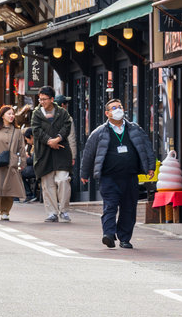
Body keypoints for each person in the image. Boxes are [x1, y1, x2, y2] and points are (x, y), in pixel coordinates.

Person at [81, 98, 155, 250]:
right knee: (110, 206)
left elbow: (146, 147)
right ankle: (108, 234)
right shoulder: (99, 132)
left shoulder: (135, 129)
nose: (118, 110)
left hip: (130, 176)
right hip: (109, 177)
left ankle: (125, 238)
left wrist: (150, 166)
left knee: (129, 208)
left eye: (119, 107)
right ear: (107, 113)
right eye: (114, 108)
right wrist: (84, 173)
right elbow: (88, 153)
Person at [29, 86, 75, 222]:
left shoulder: (62, 112)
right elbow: (36, 130)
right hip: (44, 152)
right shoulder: (36, 113)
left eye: (44, 99)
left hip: (62, 150)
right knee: (47, 183)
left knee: (63, 180)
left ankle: (64, 210)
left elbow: (67, 127)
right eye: (40, 99)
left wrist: (58, 138)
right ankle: (52, 212)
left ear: (52, 99)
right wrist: (49, 141)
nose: (41, 102)